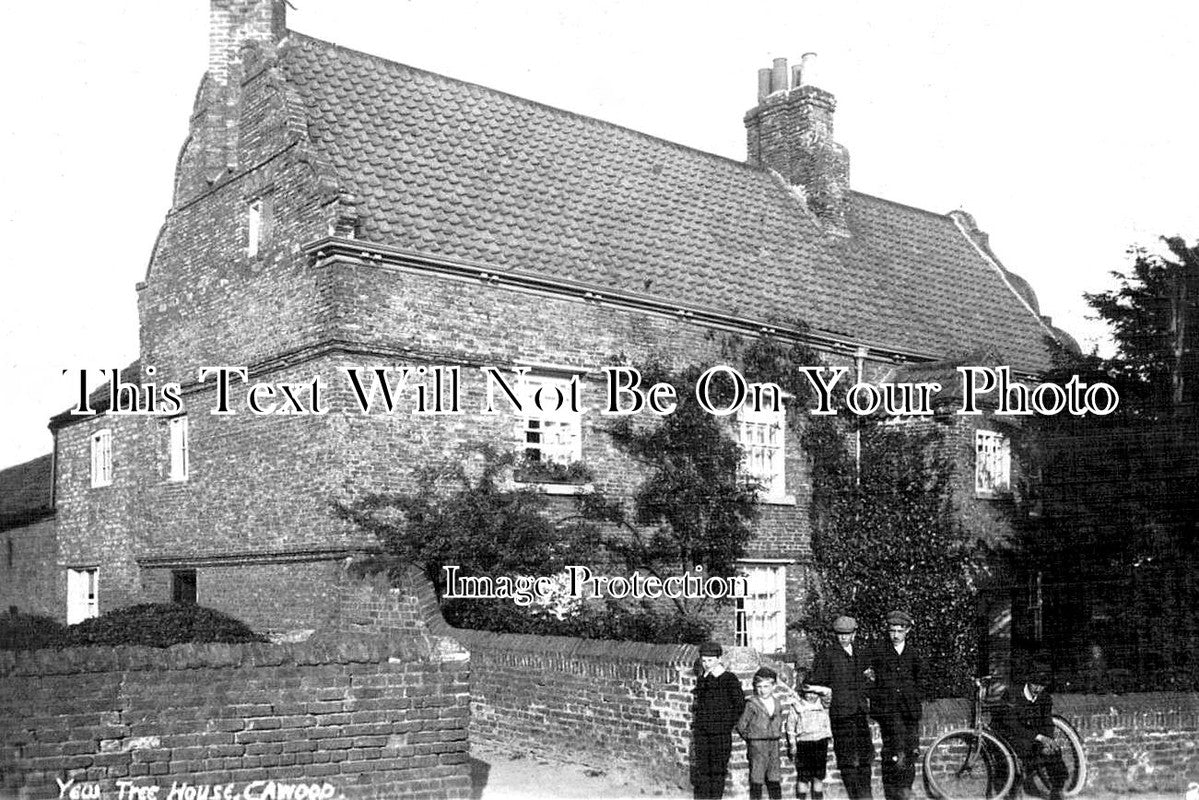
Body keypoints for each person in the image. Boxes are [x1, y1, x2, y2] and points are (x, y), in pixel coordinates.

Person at [809, 615, 875, 800]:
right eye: (840, 634)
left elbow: (868, 682)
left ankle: (866, 796)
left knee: (865, 758)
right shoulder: (827, 655)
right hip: (841, 714)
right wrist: (825, 694)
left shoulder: (861, 654)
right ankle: (854, 796)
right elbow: (815, 682)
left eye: (847, 634)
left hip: (860, 714)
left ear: (854, 634)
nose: (844, 638)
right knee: (847, 760)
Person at [993, 662, 1069, 800]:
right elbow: (1012, 725)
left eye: (1042, 686)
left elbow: (1047, 722)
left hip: (1033, 736)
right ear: (1028, 681)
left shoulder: (1045, 698)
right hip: (1011, 735)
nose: (1038, 689)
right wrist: (1040, 738)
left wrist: (1048, 740)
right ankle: (1013, 790)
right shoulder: (1013, 695)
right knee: (1023, 749)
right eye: (1035, 684)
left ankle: (1057, 789)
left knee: (1054, 751)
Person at [869, 610, 923, 800]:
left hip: (910, 711)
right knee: (893, 754)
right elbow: (870, 679)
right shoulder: (879, 652)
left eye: (900, 631)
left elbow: (922, 679)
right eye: (892, 631)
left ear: (907, 630)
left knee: (910, 753)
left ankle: (905, 792)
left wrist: (914, 698)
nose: (895, 635)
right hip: (889, 712)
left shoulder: (914, 653)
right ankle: (892, 794)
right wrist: (878, 699)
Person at [692, 641, 746, 799]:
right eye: (704, 660)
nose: (706, 663)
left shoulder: (728, 679)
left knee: (717, 769)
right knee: (703, 768)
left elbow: (739, 704)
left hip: (720, 734)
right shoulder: (703, 678)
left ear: (719, 659)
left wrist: (726, 724)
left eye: (710, 660)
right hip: (703, 732)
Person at [737, 667, 786, 800]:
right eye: (759, 687)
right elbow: (742, 725)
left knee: (774, 775)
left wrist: (775, 731)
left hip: (774, 743)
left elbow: (779, 720)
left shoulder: (777, 703)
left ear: (773, 686)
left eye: (766, 686)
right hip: (757, 744)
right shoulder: (752, 704)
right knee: (757, 775)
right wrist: (752, 736)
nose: (762, 690)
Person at [784, 667, 832, 800]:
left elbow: (828, 692)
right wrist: (792, 745)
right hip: (804, 744)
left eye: (813, 692)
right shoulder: (797, 705)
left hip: (820, 743)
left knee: (818, 777)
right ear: (803, 691)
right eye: (808, 692)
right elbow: (790, 727)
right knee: (803, 777)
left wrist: (815, 687)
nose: (811, 695)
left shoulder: (823, 704)